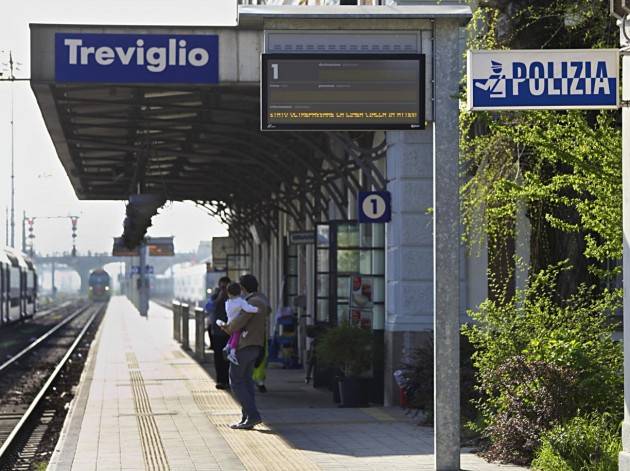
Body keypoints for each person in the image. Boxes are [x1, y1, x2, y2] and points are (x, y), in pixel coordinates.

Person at [220, 274, 271, 430]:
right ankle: (247, 417)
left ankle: (253, 415)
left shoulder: (252, 302)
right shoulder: (262, 300)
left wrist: (226, 327)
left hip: (245, 346)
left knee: (235, 381)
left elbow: (237, 324)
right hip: (255, 346)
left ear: (243, 288)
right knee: (246, 381)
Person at [218, 282, 259, 365]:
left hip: (229, 322)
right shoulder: (240, 302)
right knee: (236, 336)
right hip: (237, 323)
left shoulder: (228, 302)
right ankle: (232, 352)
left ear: (228, 293)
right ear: (240, 292)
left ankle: (227, 346)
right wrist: (257, 309)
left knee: (233, 335)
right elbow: (248, 309)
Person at [208, 276, 231, 389]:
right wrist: (218, 299)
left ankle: (228, 380)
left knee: (229, 357)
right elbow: (209, 307)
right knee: (218, 357)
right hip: (217, 332)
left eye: (226, 287)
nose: (224, 289)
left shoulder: (233, 298)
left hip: (229, 332)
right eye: (222, 287)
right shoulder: (214, 296)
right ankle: (220, 380)